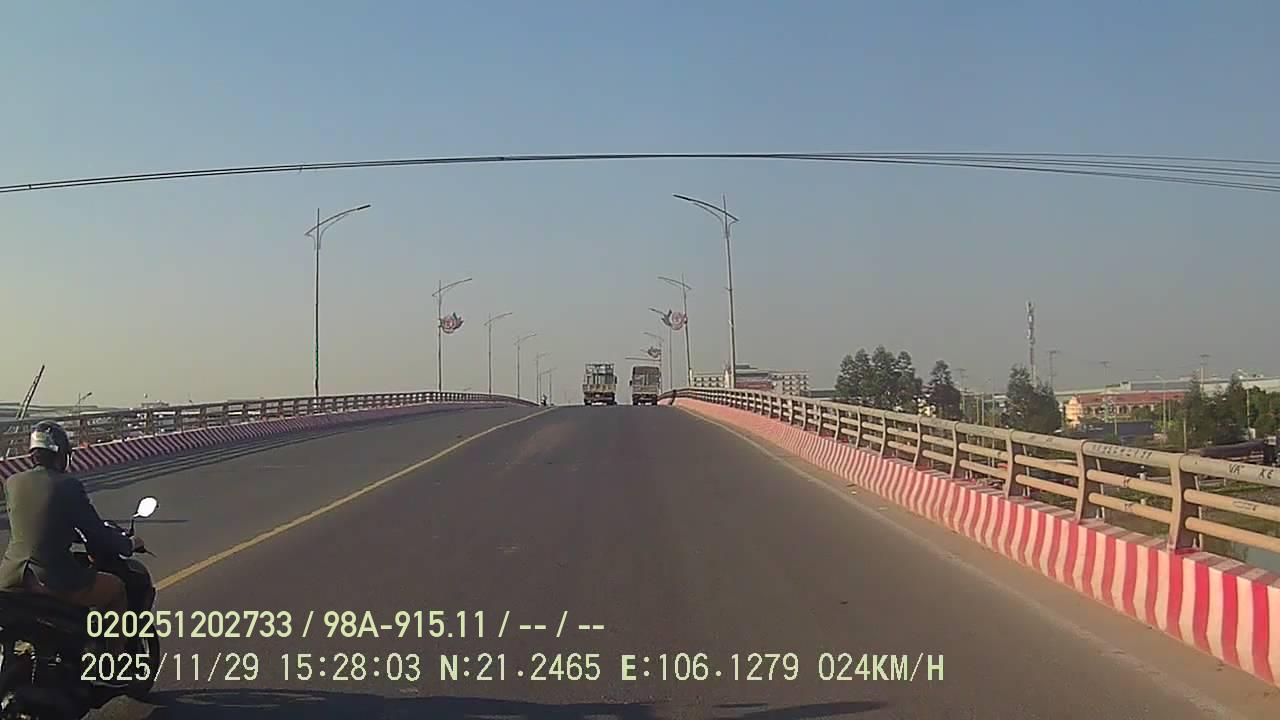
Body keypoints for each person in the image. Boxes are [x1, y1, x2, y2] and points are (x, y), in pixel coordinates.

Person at [0, 421, 143, 616]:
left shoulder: (12, 482)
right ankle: (115, 638)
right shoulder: (68, 485)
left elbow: (38, 522)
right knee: (116, 589)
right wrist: (129, 544)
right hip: (50, 578)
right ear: (61, 455)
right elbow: (96, 532)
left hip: (11, 576)